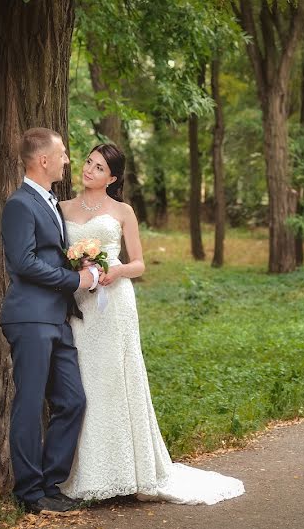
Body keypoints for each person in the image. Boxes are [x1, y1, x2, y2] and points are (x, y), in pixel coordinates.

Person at [59, 143, 244, 505]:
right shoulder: (62, 208)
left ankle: (130, 472)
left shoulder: (123, 211)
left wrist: (117, 270)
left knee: (115, 379)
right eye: (88, 162)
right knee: (84, 382)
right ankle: (87, 473)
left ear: (112, 178)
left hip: (114, 304)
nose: (89, 170)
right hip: (78, 302)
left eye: (99, 168)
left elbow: (139, 263)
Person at [0, 128, 100, 514]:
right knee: (28, 404)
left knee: (72, 400)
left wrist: (80, 266)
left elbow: (47, 256)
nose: (68, 160)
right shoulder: (19, 204)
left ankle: (50, 482)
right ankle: (30, 494)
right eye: (62, 153)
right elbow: (23, 263)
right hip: (30, 318)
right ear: (43, 160)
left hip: (56, 318)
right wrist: (75, 279)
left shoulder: (50, 202)